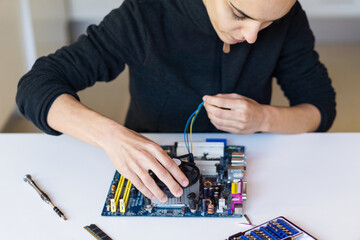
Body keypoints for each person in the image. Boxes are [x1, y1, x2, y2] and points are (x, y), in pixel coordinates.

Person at [16, 0, 336, 203]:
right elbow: (36, 86)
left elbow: (320, 109)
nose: (252, 35)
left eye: (268, 23)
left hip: (252, 168)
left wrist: (265, 119)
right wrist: (111, 137)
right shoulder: (147, 14)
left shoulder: (289, 19)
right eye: (239, 14)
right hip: (151, 172)